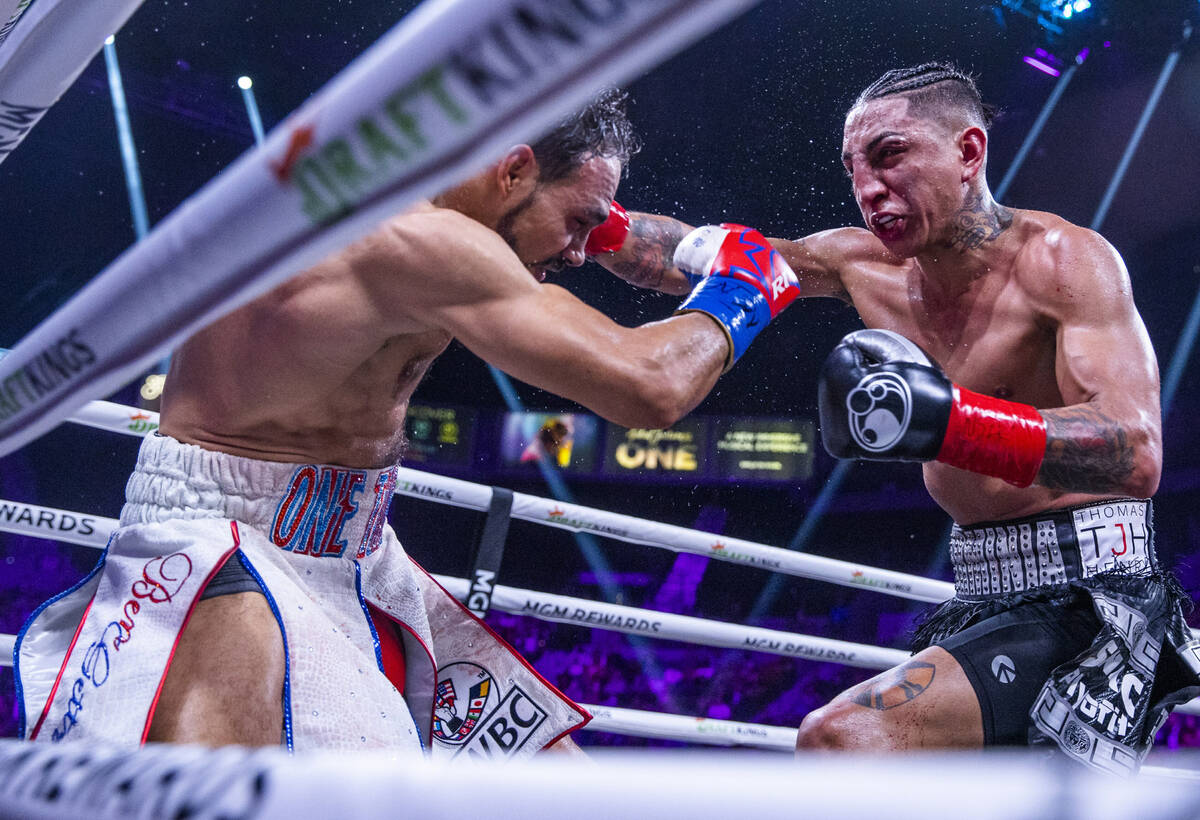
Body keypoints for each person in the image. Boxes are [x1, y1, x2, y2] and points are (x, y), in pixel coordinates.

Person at [13, 90, 801, 757]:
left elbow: (606, 241)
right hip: (229, 541)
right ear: (513, 167)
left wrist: (630, 234)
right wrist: (744, 291)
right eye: (579, 220)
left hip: (347, 545)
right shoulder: (421, 241)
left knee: (544, 781)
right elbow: (649, 387)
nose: (577, 249)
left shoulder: (408, 197)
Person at [591, 64, 1200, 773]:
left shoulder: (1064, 262)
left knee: (841, 739)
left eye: (890, 155)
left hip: (1094, 597)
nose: (869, 188)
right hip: (980, 592)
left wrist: (949, 423)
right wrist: (582, 216)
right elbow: (696, 258)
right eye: (854, 169)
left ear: (969, 153)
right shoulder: (860, 265)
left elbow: (1136, 451)